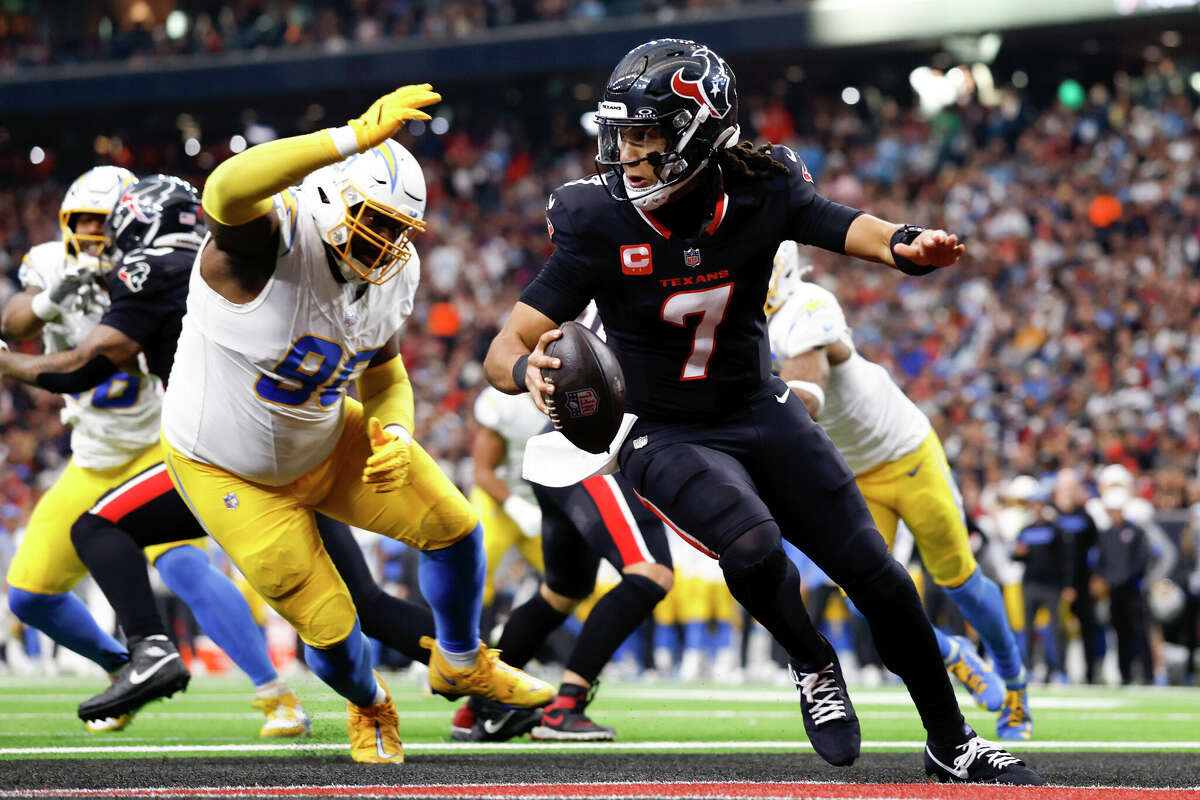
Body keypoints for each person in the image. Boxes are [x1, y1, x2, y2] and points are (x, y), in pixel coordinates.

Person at [483, 39, 1040, 784]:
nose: (627, 153)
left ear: (700, 133)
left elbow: (846, 224)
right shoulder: (596, 218)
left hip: (759, 405)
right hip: (664, 430)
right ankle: (811, 658)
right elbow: (504, 346)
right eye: (623, 134)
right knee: (752, 548)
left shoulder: (762, 186)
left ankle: (952, 742)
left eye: (647, 135)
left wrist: (906, 245)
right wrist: (529, 371)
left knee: (879, 576)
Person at [155, 84, 552, 763]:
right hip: (226, 465)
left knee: (455, 529)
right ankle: (369, 705)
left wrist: (395, 431)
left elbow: (385, 373)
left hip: (326, 432)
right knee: (335, 633)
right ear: (327, 199)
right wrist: (348, 139)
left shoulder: (395, 270)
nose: (385, 241)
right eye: (372, 219)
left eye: (398, 229)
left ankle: (459, 659)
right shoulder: (267, 241)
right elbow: (223, 190)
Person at [0, 167, 309, 737]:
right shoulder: (48, 264)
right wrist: (48, 304)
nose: (93, 233)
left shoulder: (155, 270)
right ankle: (128, 671)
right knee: (29, 595)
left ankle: (275, 694)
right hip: (90, 455)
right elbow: (12, 319)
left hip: (155, 446)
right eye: (82, 222)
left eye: (102, 220)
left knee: (186, 565)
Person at [764, 243, 1030, 739]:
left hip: (905, 451)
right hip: (853, 471)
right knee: (869, 596)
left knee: (959, 580)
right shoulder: (733, 318)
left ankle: (1016, 687)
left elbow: (809, 389)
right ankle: (951, 652)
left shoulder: (807, 303)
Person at [456, 304, 674, 743]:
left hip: (557, 455)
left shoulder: (598, 287)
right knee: (649, 572)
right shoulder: (649, 282)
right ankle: (565, 706)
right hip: (592, 454)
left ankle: (482, 703)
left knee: (563, 591)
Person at [470, 382, 548, 630]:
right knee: (475, 571)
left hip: (544, 504)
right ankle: (463, 648)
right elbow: (482, 472)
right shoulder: (507, 405)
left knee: (571, 579)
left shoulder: (574, 398)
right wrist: (516, 505)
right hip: (499, 501)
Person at [1009, 476, 1073, 685]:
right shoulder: (1025, 530)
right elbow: (1016, 556)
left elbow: (1065, 559)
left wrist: (1067, 585)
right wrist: (1018, 552)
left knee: (1056, 629)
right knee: (1028, 629)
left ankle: (1059, 670)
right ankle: (1028, 668)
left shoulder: (1055, 528)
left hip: (1051, 585)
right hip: (1031, 585)